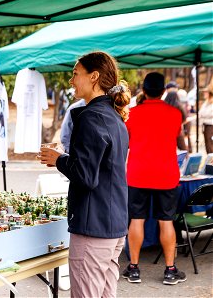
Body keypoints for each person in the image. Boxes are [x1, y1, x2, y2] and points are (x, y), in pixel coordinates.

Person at [39, 51, 130, 298]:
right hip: (114, 225)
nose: (71, 80)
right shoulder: (115, 117)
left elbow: (86, 176)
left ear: (94, 77)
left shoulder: (91, 117)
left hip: (93, 228)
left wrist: (59, 160)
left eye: (75, 74)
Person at [124, 72, 186, 285]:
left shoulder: (131, 114)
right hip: (166, 174)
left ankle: (133, 268)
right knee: (166, 221)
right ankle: (170, 270)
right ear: (163, 91)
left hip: (138, 173)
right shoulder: (175, 114)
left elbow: (127, 142)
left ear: (143, 90)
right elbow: (178, 140)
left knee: (136, 219)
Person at [199, 80, 213, 154]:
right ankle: (210, 161)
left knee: (210, 145)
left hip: (211, 126)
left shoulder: (211, 103)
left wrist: (203, 115)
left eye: (206, 92)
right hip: (206, 125)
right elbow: (201, 113)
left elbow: (207, 113)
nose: (204, 93)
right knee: (207, 145)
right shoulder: (206, 102)